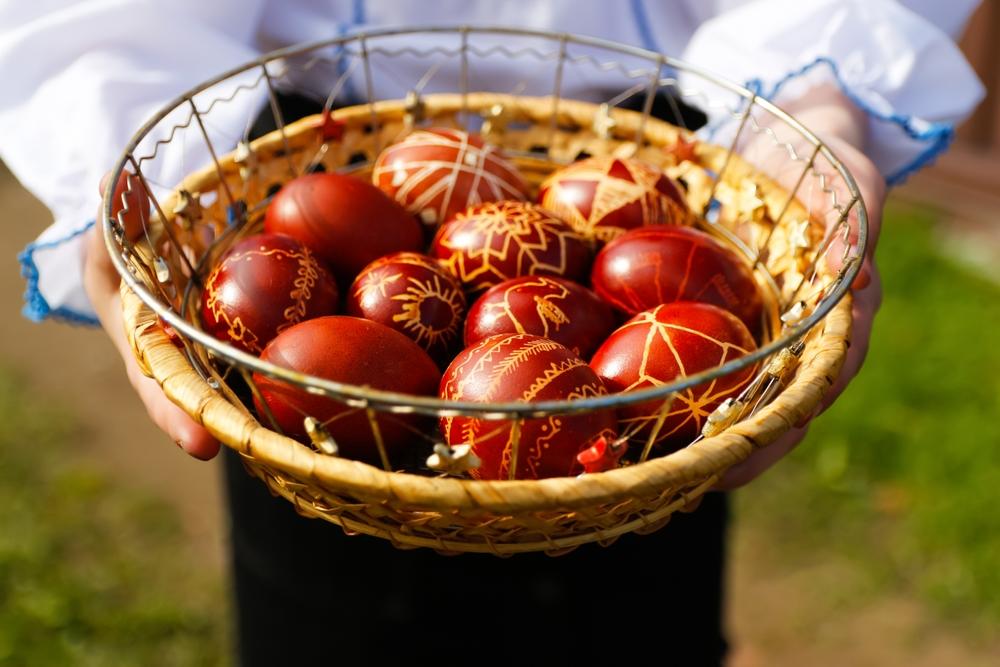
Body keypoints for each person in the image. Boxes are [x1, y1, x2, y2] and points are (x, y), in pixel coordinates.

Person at [1, 1, 983, 664]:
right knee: (332, 604)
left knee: (637, 591)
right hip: (300, 146)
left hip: (673, 149)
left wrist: (814, 99)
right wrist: (131, 150)